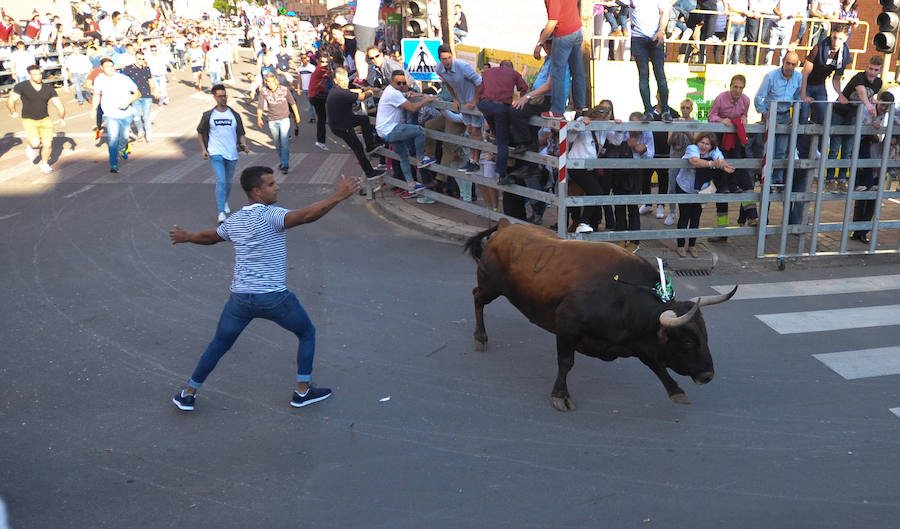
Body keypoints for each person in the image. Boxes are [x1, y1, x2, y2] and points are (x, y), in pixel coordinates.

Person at [169, 167, 360, 412]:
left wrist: (187, 237)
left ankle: (188, 394)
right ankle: (302, 391)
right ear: (257, 191)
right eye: (271, 184)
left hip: (240, 300)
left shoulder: (235, 219)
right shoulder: (270, 215)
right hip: (273, 298)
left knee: (219, 344)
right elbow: (306, 216)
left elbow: (210, 237)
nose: (277, 187)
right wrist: (338, 196)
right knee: (307, 332)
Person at [708, 74, 756, 240]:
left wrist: (743, 118)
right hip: (721, 143)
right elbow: (711, 117)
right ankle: (723, 232)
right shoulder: (721, 98)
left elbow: (745, 117)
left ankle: (752, 216)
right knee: (722, 188)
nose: (737, 90)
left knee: (744, 179)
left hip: (736, 146)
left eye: (740, 88)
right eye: (735, 87)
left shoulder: (746, 100)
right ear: (730, 86)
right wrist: (722, 120)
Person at [375, 70, 438, 197]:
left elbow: (401, 95)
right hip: (390, 129)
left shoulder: (391, 90)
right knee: (419, 131)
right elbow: (412, 108)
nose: (402, 85)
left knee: (404, 156)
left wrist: (408, 94)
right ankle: (421, 159)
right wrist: (426, 100)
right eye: (399, 83)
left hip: (383, 131)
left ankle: (411, 185)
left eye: (404, 83)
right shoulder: (394, 93)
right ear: (392, 82)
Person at [674, 132, 735, 257]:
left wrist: (723, 165)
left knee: (696, 217)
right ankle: (680, 246)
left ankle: (692, 245)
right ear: (697, 142)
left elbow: (720, 159)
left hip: (701, 190)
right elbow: (695, 161)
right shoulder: (692, 148)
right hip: (684, 187)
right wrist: (712, 164)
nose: (704, 146)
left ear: (711, 146)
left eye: (707, 144)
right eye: (702, 142)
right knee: (684, 216)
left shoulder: (714, 150)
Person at [828, 55, 883, 193]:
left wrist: (872, 101)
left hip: (853, 114)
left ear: (879, 71)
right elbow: (862, 92)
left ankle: (841, 180)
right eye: (870, 68)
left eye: (876, 70)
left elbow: (870, 94)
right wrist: (869, 105)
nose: (872, 72)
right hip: (839, 111)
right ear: (866, 67)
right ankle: (829, 180)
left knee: (847, 149)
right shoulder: (859, 77)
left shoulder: (878, 83)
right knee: (835, 148)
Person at [198, 84, 250, 224]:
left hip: (231, 153)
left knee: (228, 181)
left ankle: (224, 200)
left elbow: (241, 133)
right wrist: (204, 149)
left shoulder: (234, 115)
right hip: (215, 152)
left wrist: (243, 144)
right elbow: (200, 132)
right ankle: (221, 212)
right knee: (221, 180)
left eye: (225, 95)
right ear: (214, 97)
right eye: (220, 96)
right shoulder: (209, 115)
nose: (223, 98)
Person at [476, 60, 528, 190]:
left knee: (495, 125)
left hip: (484, 105)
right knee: (503, 143)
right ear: (511, 68)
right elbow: (524, 88)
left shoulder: (488, 72)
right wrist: (522, 101)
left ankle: (494, 133)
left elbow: (479, 88)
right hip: (501, 107)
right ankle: (502, 174)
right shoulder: (514, 73)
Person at [327, 67, 384, 183]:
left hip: (343, 120)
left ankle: (370, 145)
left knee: (363, 119)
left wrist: (362, 89)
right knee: (358, 148)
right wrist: (371, 91)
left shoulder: (336, 90)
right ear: (336, 81)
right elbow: (362, 97)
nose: (345, 83)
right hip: (342, 126)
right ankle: (370, 172)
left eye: (346, 81)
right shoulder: (341, 93)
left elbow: (351, 92)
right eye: (342, 81)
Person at [754, 51, 802, 187]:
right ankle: (766, 179)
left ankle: (777, 180)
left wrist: (795, 116)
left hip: (787, 115)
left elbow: (799, 99)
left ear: (797, 65)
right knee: (769, 149)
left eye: (793, 64)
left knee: (782, 150)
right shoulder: (771, 76)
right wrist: (767, 116)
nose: (790, 67)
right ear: (783, 62)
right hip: (771, 114)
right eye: (788, 63)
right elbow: (759, 98)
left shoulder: (799, 77)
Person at [6, 64, 66, 174]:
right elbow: (11, 100)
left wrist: (61, 117)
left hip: (45, 119)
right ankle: (30, 146)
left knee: (48, 144)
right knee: (35, 143)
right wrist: (13, 111)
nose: (38, 76)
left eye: (39, 74)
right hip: (29, 119)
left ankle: (45, 164)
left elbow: (59, 104)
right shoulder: (22, 86)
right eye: (35, 74)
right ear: (29, 75)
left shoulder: (48, 88)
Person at [435, 45, 483, 174]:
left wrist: (474, 100)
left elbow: (479, 82)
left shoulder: (463, 66)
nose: (447, 61)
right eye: (444, 59)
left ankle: (475, 161)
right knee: (470, 130)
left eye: (449, 57)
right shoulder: (439, 68)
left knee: (476, 131)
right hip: (462, 102)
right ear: (440, 59)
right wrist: (454, 99)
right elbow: (447, 83)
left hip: (474, 102)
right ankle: (471, 160)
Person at [537, 0, 586, 118]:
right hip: (577, 30)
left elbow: (553, 21)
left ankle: (557, 110)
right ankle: (581, 106)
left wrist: (539, 44)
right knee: (578, 70)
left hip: (563, 34)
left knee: (558, 72)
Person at [93, 57, 140, 173]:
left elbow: (138, 94)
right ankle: (113, 164)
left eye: (111, 66)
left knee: (123, 136)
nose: (110, 69)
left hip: (125, 113)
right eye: (107, 67)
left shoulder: (124, 78)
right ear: (102, 68)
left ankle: (123, 147)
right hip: (110, 114)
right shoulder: (99, 80)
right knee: (113, 138)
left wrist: (128, 101)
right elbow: (96, 95)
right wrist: (93, 109)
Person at [629, 0, 673, 122]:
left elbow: (665, 11)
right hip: (638, 38)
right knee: (643, 75)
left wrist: (661, 31)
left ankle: (665, 110)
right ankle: (648, 111)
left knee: (660, 74)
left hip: (655, 37)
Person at [258, 72, 301, 175]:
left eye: (273, 82)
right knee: (277, 143)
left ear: (276, 81)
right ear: (266, 82)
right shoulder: (264, 91)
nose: (271, 84)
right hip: (272, 120)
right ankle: (282, 161)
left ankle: (285, 164)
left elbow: (292, 103)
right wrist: (259, 118)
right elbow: (260, 105)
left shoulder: (284, 90)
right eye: (269, 82)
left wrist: (297, 115)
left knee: (284, 141)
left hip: (284, 118)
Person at [665, 98, 698, 226]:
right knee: (672, 186)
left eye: (687, 108)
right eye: (683, 107)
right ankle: (672, 212)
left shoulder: (695, 123)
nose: (685, 110)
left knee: (690, 186)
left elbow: (696, 140)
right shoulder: (674, 122)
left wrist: (686, 130)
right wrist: (676, 129)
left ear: (691, 109)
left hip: (690, 159)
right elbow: (669, 142)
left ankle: (687, 212)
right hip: (675, 157)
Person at [122, 51, 157, 143]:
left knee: (146, 117)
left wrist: (155, 90)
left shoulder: (146, 69)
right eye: (139, 59)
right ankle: (140, 131)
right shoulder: (129, 68)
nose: (141, 61)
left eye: (143, 59)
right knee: (136, 118)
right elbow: (123, 80)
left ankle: (149, 136)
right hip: (135, 96)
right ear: (135, 59)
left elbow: (150, 81)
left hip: (146, 95)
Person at [766, 0, 806, 66]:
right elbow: (773, 7)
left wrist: (794, 15)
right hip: (775, 25)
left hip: (788, 27)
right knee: (770, 49)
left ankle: (781, 69)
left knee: (783, 51)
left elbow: (802, 14)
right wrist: (779, 14)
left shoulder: (799, 2)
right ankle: (766, 67)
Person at [309, 54, 332, 151]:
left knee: (322, 119)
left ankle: (320, 141)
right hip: (316, 96)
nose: (325, 64)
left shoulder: (322, 70)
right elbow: (332, 74)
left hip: (316, 95)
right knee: (336, 98)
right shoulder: (320, 70)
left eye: (326, 62)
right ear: (318, 62)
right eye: (323, 62)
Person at [296, 53, 317, 122]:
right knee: (310, 103)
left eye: (304, 58)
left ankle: (315, 116)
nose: (303, 60)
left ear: (307, 58)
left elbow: (315, 77)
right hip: (305, 88)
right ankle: (313, 116)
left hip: (312, 88)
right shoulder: (300, 68)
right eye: (301, 58)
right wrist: (299, 88)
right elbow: (299, 79)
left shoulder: (312, 67)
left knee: (313, 103)